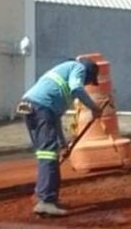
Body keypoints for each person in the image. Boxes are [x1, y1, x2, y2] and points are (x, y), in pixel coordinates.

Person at [19, 58, 102, 217]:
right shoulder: (78, 68)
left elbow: (55, 119)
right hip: (40, 108)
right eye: (88, 81)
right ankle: (46, 201)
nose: (86, 84)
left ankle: (43, 195)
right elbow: (77, 88)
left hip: (32, 107)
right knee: (48, 154)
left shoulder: (59, 84)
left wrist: (63, 144)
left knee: (46, 153)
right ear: (88, 74)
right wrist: (94, 107)